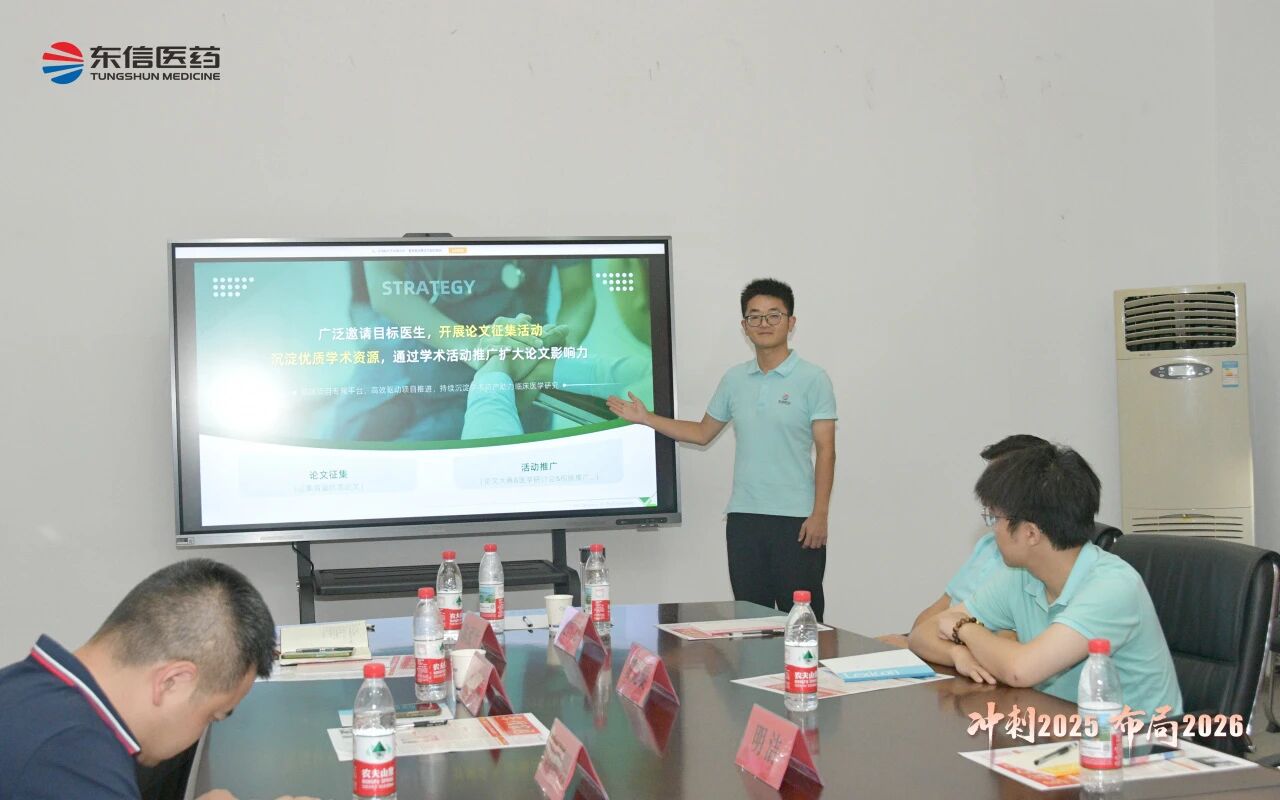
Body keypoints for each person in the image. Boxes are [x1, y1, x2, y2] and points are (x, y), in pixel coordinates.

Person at [607, 278, 837, 619]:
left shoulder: (813, 379)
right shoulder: (734, 380)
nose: (764, 323)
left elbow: (826, 451)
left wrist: (819, 515)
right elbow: (702, 433)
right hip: (744, 519)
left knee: (802, 623)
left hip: (797, 522)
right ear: (744, 326)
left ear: (791, 322)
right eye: (755, 316)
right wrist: (646, 418)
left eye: (774, 315)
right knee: (751, 622)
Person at [0, 559, 316, 800]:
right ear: (172, 682)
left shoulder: (26, 691)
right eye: (212, 716)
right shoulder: (73, 760)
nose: (200, 732)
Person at [908, 444, 1183, 716]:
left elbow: (1020, 670)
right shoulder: (1020, 576)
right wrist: (958, 655)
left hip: (1138, 738)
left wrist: (964, 629)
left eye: (995, 517)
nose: (993, 529)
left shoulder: (1113, 587)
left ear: (1030, 533)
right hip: (1059, 726)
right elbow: (922, 635)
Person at [877, 434, 1050, 647]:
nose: (988, 486)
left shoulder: (1026, 568)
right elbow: (942, 606)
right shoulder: (988, 544)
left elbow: (1005, 642)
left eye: (997, 479)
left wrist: (925, 648)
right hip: (941, 648)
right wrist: (911, 644)